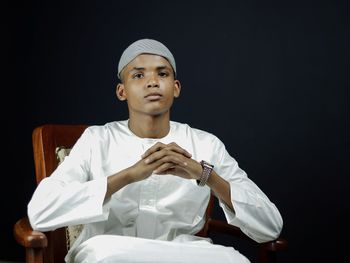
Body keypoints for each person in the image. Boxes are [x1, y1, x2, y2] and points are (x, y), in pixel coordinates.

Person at [28, 39, 283, 263]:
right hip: (111, 249)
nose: (152, 82)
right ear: (122, 91)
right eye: (138, 75)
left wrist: (204, 174)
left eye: (162, 74)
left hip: (184, 253)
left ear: (176, 87)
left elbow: (271, 226)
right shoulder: (97, 139)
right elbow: (40, 213)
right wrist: (128, 176)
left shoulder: (206, 144)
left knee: (232, 259)